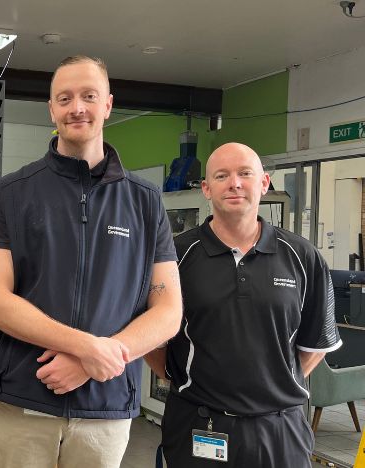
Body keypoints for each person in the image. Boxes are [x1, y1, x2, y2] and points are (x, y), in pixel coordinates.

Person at [0, 55, 183, 468]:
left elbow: (168, 310)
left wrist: (98, 362)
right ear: (52, 110)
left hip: (105, 407)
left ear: (108, 104)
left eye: (89, 96)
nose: (77, 108)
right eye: (65, 98)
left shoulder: (145, 202)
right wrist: (85, 348)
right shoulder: (13, 193)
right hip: (25, 399)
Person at [145, 142, 342, 467]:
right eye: (222, 176)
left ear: (264, 183)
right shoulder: (175, 256)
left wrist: (274, 384)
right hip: (198, 425)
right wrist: (177, 377)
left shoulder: (302, 256)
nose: (234, 183)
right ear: (207, 189)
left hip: (280, 431)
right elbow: (148, 335)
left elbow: (316, 343)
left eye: (245, 174)